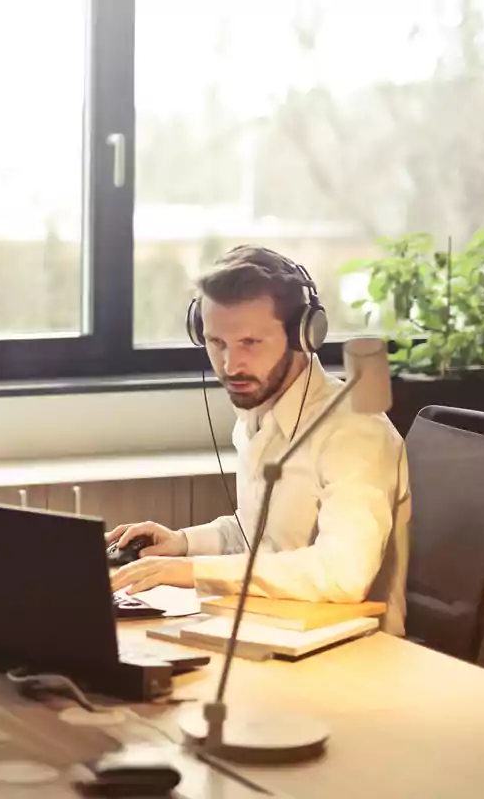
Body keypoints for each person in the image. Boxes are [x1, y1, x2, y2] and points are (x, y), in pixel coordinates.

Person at [108, 245, 410, 635]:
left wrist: (192, 571)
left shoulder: (354, 431)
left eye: (250, 343)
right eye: (217, 343)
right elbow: (259, 536)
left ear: (303, 335)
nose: (231, 366)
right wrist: (183, 543)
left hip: (352, 652)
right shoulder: (258, 415)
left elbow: (343, 574)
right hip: (271, 628)